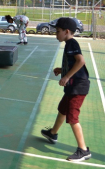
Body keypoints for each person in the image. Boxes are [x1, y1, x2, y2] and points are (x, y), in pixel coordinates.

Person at [41, 17, 91, 162]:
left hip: (78, 86)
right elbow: (72, 63)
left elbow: (81, 61)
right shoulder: (69, 43)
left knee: (72, 117)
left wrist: (67, 76)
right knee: (63, 108)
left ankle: (83, 150)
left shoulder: (71, 43)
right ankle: (52, 133)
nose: (56, 34)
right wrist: (62, 70)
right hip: (73, 86)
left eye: (57, 31)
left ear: (66, 31)